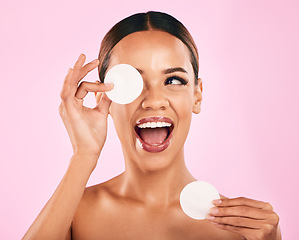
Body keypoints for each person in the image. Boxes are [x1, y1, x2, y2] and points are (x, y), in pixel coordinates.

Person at [22, 11, 281, 240]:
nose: (154, 100)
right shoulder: (72, 214)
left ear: (197, 96)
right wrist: (84, 155)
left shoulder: (242, 231)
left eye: (174, 80)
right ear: (105, 99)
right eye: (130, 82)